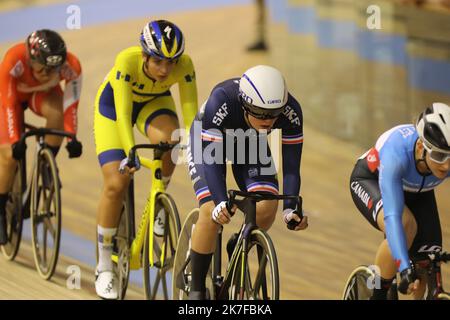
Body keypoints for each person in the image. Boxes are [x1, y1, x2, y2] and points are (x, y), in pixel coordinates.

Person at [93, 19, 198, 299]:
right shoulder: (126, 62)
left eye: (171, 62)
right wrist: (130, 152)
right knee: (116, 182)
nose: (166, 70)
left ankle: (158, 202)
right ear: (144, 56)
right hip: (114, 109)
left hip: (154, 103)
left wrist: (195, 144)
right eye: (159, 62)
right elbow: (123, 114)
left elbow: (190, 113)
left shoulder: (184, 66)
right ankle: (104, 264)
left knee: (172, 141)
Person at [186, 65, 308, 300]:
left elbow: (292, 168)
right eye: (260, 113)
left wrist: (290, 208)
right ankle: (196, 290)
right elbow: (211, 160)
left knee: (267, 205)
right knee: (211, 209)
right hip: (208, 139)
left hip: (249, 141)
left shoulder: (291, 111)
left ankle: (239, 242)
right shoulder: (221, 100)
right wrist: (221, 201)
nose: (268, 120)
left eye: (274, 114)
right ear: (244, 103)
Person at [349, 102, 450, 299]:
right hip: (372, 180)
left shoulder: (442, 162)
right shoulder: (396, 155)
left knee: (428, 256)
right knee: (405, 225)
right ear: (422, 146)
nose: (446, 165)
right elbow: (392, 218)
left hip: (418, 191)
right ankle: (378, 293)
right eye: (439, 156)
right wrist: (404, 268)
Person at [0, 29, 82, 245]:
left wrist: (71, 138)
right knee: (9, 155)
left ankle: (46, 163)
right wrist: (15, 139)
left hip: (40, 95)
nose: (49, 72)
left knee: (56, 113)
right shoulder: (13, 60)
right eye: (44, 67)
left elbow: (70, 105)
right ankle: (0, 209)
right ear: (31, 57)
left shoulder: (71, 67)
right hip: (10, 99)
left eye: (54, 68)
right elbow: (8, 105)